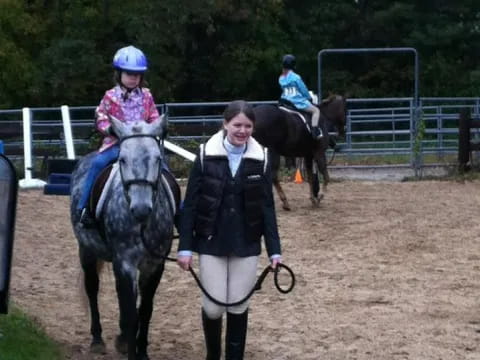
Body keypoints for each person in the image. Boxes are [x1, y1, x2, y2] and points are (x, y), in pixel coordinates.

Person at [177, 100, 282, 360]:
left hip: (245, 243)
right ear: (225, 124)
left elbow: (267, 207)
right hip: (211, 241)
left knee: (238, 305)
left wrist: (275, 251)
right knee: (213, 308)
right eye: (237, 125)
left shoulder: (262, 158)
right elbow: (190, 205)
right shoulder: (204, 156)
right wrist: (185, 247)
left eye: (248, 126)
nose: (242, 130)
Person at [76, 45, 161, 227]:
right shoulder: (110, 96)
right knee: (98, 164)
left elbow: (153, 115)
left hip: (143, 145)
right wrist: (109, 129)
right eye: (129, 74)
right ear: (119, 74)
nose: (133, 78)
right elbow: (100, 117)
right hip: (116, 144)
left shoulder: (146, 96)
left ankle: (177, 208)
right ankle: (84, 208)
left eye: (136, 75)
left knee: (163, 165)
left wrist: (156, 127)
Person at [279, 54, 323, 140]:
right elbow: (303, 89)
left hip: (284, 100)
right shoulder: (296, 77)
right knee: (316, 110)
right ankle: (315, 131)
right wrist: (308, 97)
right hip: (296, 101)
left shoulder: (281, 78)